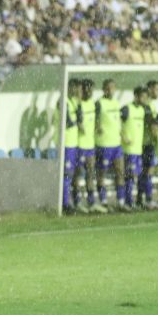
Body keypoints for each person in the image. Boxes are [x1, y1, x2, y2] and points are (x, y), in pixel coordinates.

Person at [94, 79, 129, 212]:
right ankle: (103, 201)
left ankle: (120, 202)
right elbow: (96, 119)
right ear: (103, 89)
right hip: (103, 144)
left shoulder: (116, 103)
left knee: (120, 172)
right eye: (107, 88)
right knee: (101, 174)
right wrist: (98, 127)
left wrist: (123, 136)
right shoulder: (99, 103)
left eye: (112, 88)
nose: (110, 91)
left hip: (116, 145)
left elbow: (117, 122)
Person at [121, 86, 154, 210]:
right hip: (128, 150)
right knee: (129, 176)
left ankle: (135, 201)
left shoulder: (142, 110)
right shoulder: (126, 109)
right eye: (142, 97)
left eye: (146, 97)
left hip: (138, 150)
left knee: (137, 176)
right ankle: (127, 202)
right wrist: (124, 136)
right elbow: (116, 123)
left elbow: (151, 121)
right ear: (136, 96)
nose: (145, 99)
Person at [77, 79, 106, 213]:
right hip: (79, 145)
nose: (90, 92)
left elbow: (94, 122)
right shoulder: (78, 105)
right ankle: (76, 202)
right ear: (82, 89)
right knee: (77, 174)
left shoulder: (93, 105)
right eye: (87, 89)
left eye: (91, 89)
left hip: (90, 146)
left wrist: (97, 127)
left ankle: (91, 202)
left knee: (90, 174)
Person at [59, 79, 83, 214]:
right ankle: (64, 204)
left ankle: (73, 202)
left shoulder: (74, 102)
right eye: (76, 89)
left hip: (74, 144)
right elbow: (68, 122)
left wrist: (79, 104)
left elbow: (80, 120)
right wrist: (77, 123)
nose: (77, 92)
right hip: (66, 143)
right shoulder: (63, 101)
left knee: (73, 174)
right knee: (66, 175)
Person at [138, 80, 158, 209]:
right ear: (150, 89)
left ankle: (140, 199)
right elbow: (152, 125)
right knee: (148, 172)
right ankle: (148, 199)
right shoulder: (147, 106)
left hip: (143, 144)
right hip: (148, 144)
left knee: (144, 173)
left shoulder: (149, 105)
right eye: (156, 89)